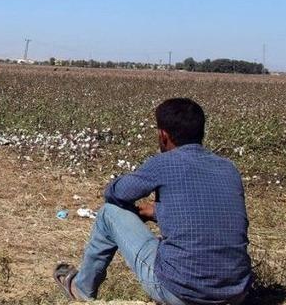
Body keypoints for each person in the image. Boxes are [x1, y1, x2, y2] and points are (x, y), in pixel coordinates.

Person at [54, 98, 251, 305]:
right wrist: (157, 212)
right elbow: (207, 213)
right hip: (235, 293)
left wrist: (122, 187)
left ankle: (82, 288)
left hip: (181, 293)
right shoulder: (229, 168)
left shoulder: (163, 164)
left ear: (163, 135)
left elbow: (116, 194)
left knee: (108, 213)